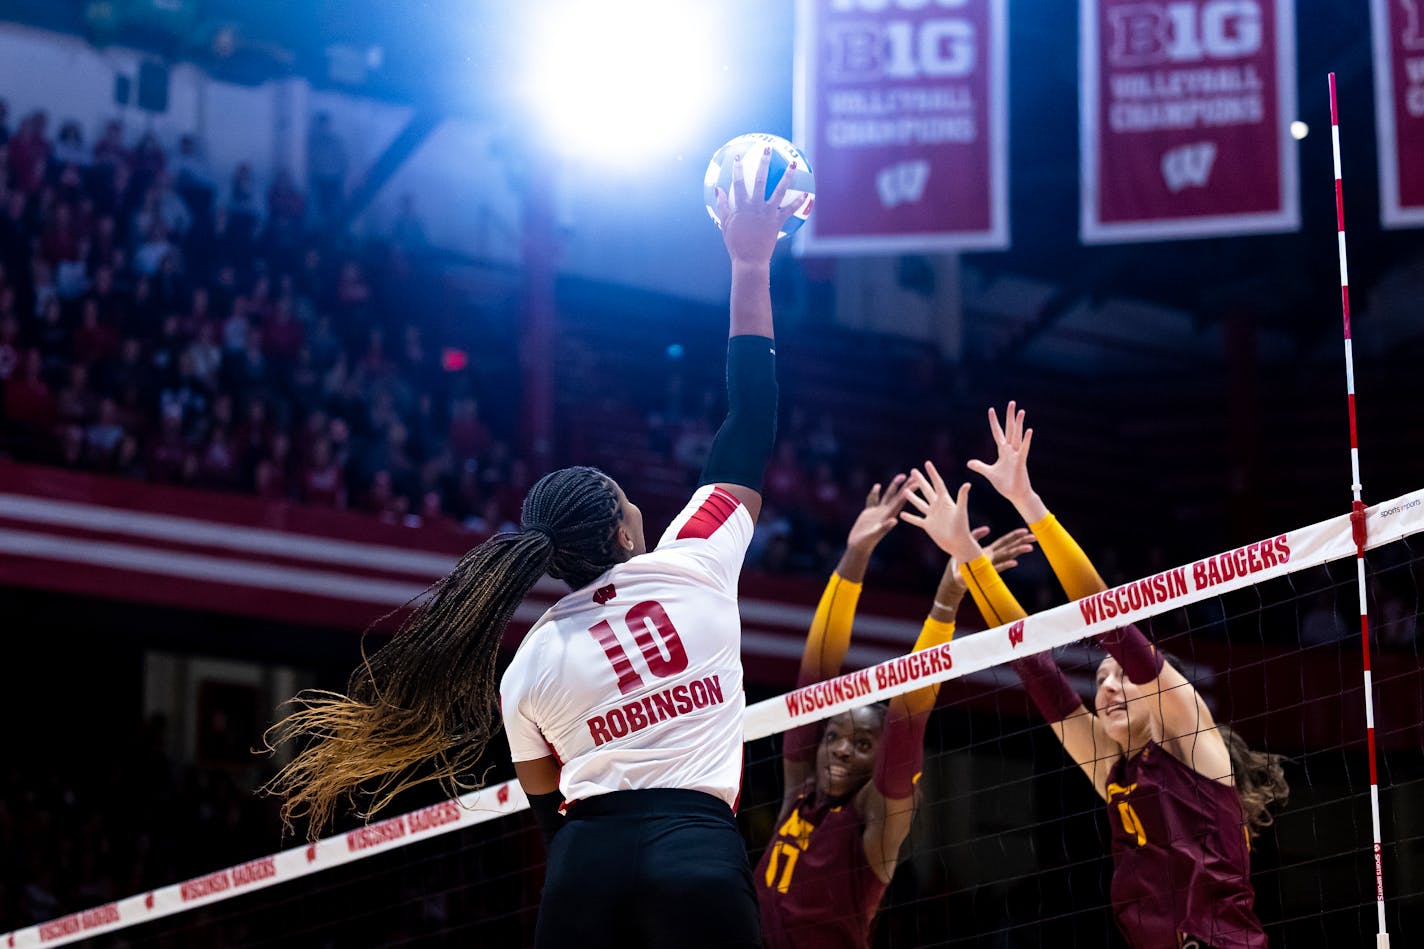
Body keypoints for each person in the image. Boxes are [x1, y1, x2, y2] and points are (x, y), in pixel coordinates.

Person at [263, 149, 805, 949]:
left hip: (586, 864)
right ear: (626, 530)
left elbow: (546, 801)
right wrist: (750, 262)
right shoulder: (695, 557)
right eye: (627, 496)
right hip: (695, 850)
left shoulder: (533, 659)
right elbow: (750, 419)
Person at [899, 403, 1289, 949]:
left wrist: (1027, 502)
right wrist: (966, 553)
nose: (1105, 688)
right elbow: (1034, 666)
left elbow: (1110, 622)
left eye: (1121, 678)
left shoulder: (1191, 738)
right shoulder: (1113, 765)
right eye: (1100, 679)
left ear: (1159, 692)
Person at [758, 476, 1033, 948]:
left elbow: (908, 718)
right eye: (834, 737)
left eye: (863, 745)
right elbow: (815, 675)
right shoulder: (801, 791)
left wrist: (946, 602)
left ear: (880, 761)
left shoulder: (875, 827)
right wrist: (855, 554)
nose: (841, 750)